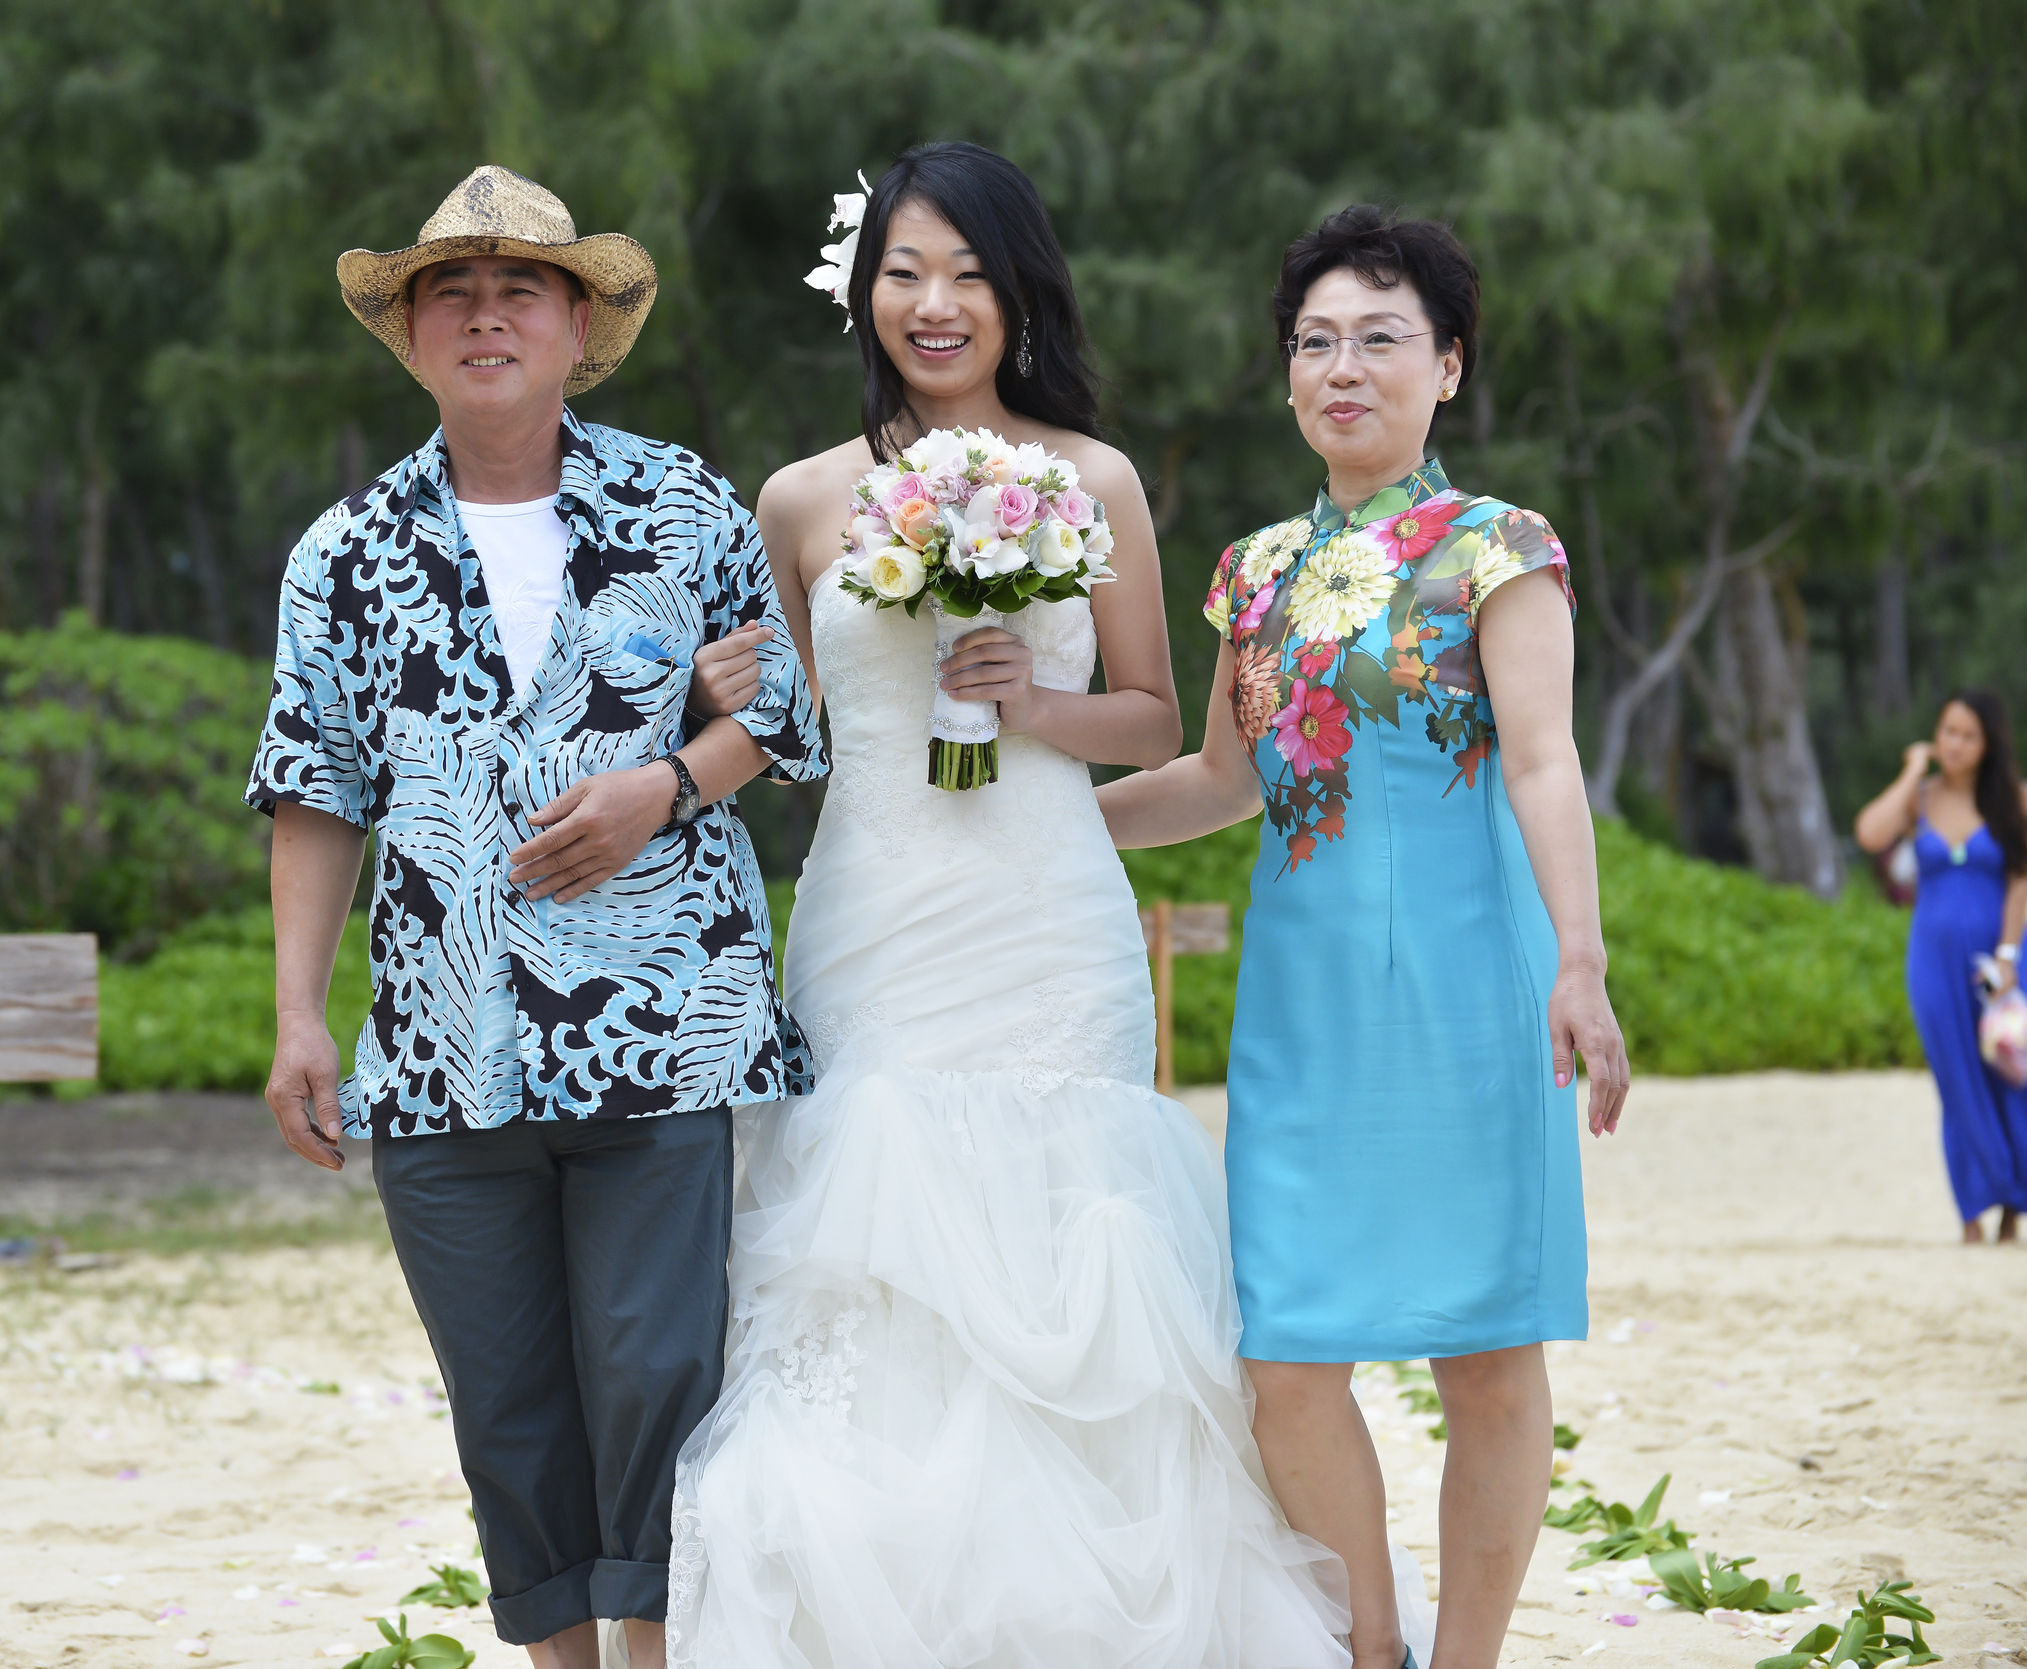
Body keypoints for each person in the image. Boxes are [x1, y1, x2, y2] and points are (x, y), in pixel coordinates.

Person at [663, 141, 1378, 1669]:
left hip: (1047, 919)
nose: (936, 304)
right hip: (873, 915)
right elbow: (790, 741)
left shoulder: (1093, 476)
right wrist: (725, 690)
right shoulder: (794, 501)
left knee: (1075, 1245)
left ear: (1017, 293)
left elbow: (1152, 714)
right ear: (864, 295)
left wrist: (1035, 703)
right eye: (906, 272)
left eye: (970, 273)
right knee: (872, 1239)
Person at [247, 165, 824, 1669]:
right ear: (416, 333)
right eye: (454, 292)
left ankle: (651, 1652)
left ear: (579, 326)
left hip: (664, 1023)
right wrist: (302, 1017)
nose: (486, 315)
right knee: (504, 1400)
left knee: (654, 1369)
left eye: (521, 290)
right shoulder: (346, 551)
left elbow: (782, 716)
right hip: (444, 1047)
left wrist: (667, 789)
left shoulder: (681, 499)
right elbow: (313, 789)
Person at [1098, 204, 1631, 1669]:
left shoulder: (1497, 549)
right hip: (1303, 1010)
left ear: (1447, 367)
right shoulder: (1254, 571)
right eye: (1317, 341)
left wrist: (1580, 962)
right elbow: (1219, 778)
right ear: (1287, 377)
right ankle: (1371, 1649)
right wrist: (1040, 823)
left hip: (1472, 989)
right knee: (1283, 1359)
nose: (1346, 366)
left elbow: (1541, 763)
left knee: (1487, 1354)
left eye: (1383, 338)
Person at [1853, 691, 2027, 1242]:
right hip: (1932, 958)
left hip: (1997, 956)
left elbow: (2022, 879)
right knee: (1954, 1076)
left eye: (1968, 735)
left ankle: (2012, 1209)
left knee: (2006, 1075)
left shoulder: (2012, 801)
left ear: (1988, 744)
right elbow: (1869, 834)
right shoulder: (1920, 799)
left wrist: (2007, 956)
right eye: (1948, 731)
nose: (1954, 743)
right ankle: (1971, 1212)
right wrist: (1911, 771)